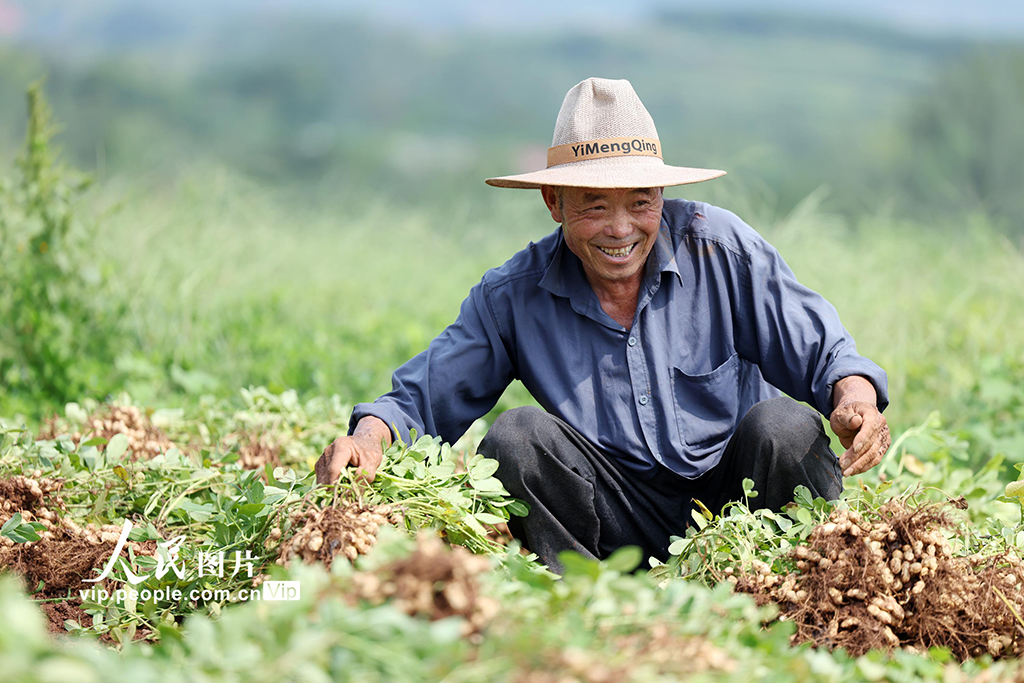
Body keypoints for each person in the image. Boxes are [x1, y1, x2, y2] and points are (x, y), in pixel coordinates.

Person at [315, 77, 891, 571]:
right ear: (553, 202)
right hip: (613, 515)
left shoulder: (721, 250)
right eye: (593, 205)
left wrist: (855, 398)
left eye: (640, 203)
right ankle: (588, 605)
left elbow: (826, 352)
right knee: (516, 438)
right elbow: (424, 397)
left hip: (738, 494)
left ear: (662, 195)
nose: (620, 229)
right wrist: (368, 440)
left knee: (784, 426)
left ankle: (797, 583)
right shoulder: (512, 296)